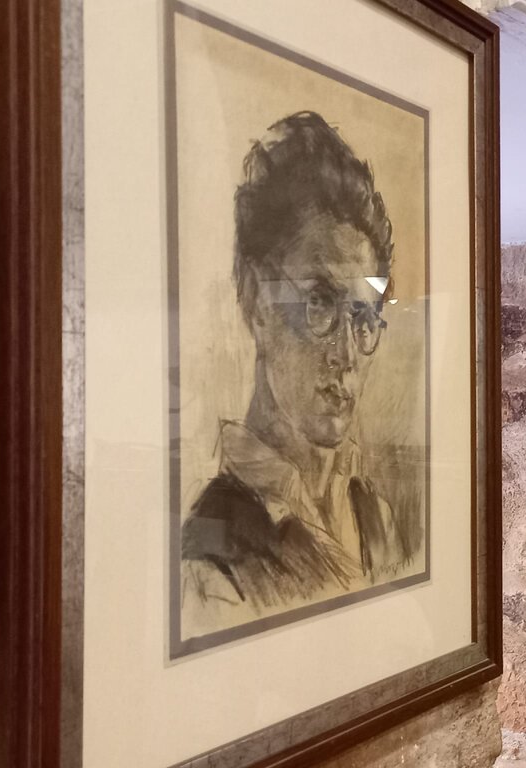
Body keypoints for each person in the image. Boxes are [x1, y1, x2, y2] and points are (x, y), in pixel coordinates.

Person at [180, 111, 408, 615]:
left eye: (364, 317)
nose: (346, 355)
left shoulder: (375, 516)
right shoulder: (209, 564)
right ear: (255, 299)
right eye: (320, 302)